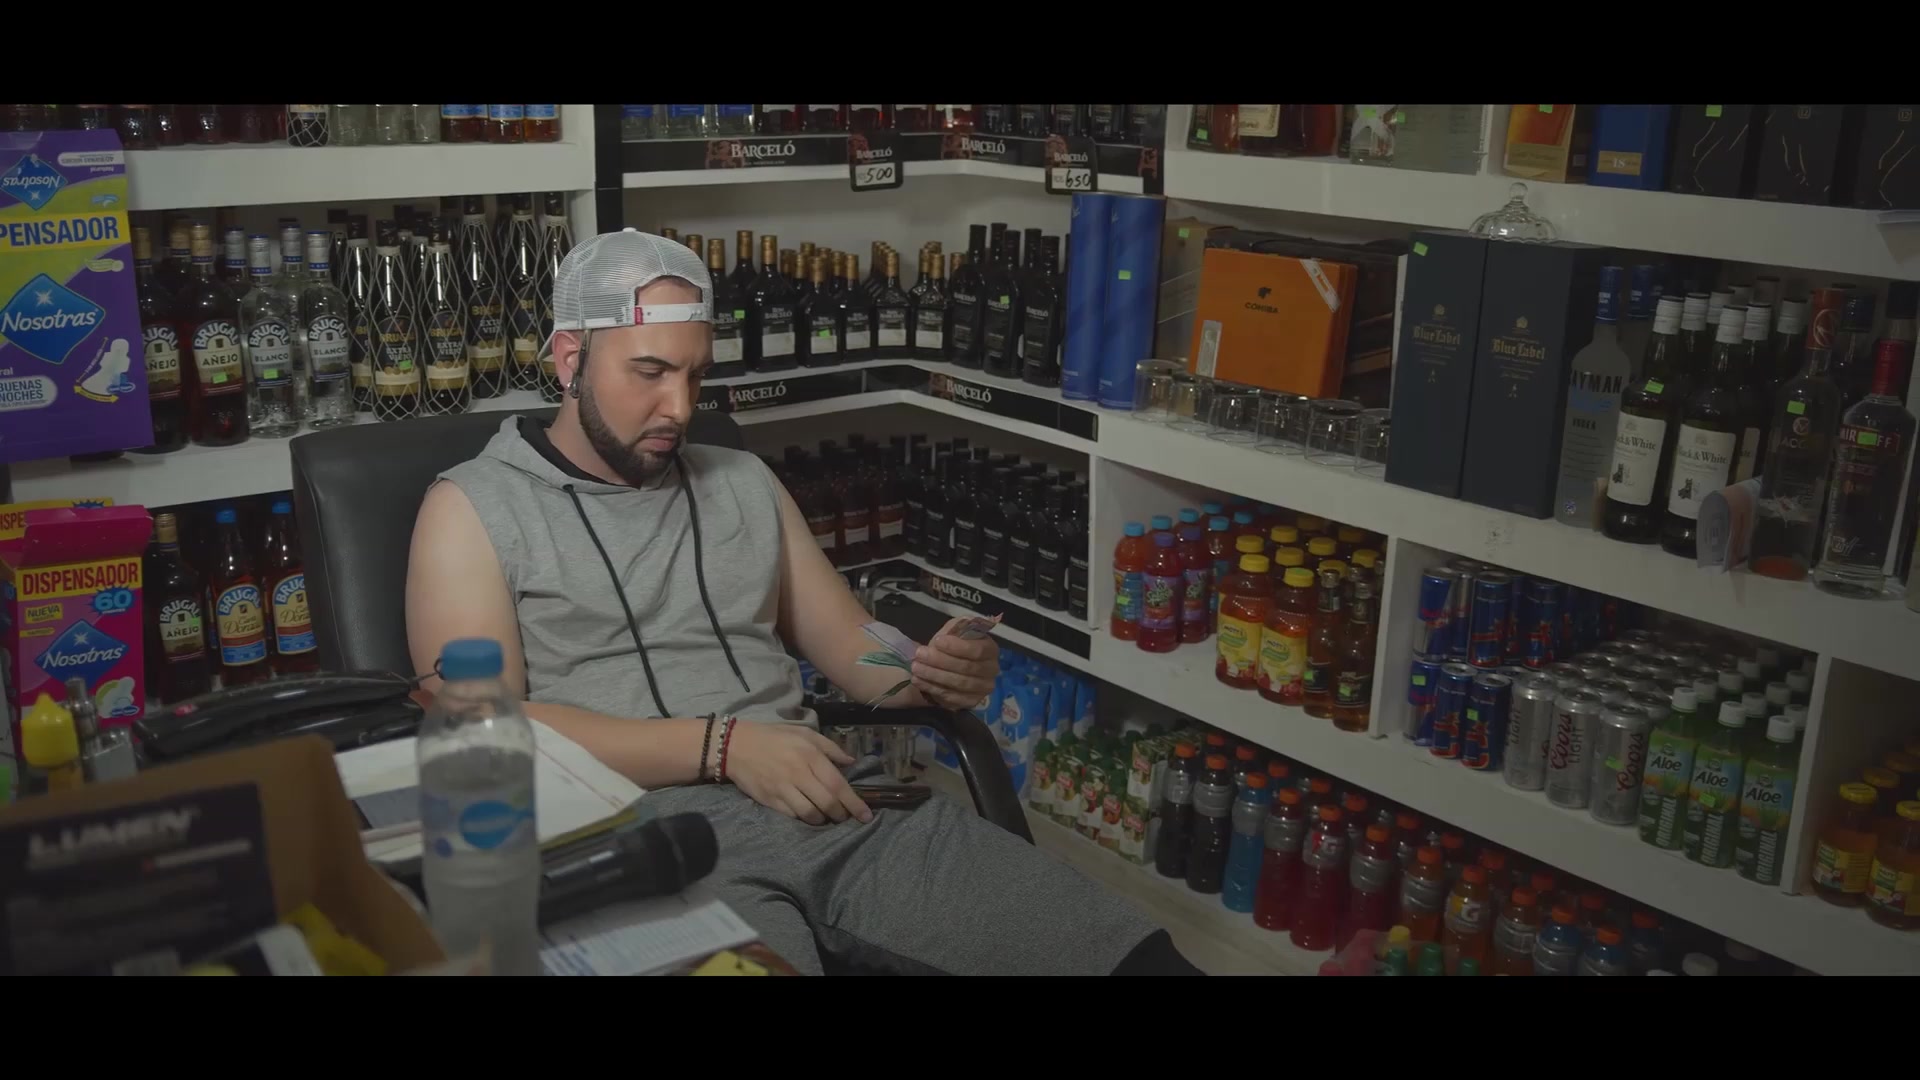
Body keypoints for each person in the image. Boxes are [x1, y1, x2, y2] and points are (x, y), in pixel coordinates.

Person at [406, 229, 1196, 976]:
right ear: (569, 359)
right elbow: (483, 734)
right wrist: (723, 747)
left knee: (1133, 958)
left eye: (696, 375)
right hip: (637, 842)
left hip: (829, 801)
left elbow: (857, 647)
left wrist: (926, 668)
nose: (680, 407)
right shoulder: (473, 507)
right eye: (650, 372)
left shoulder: (741, 480)